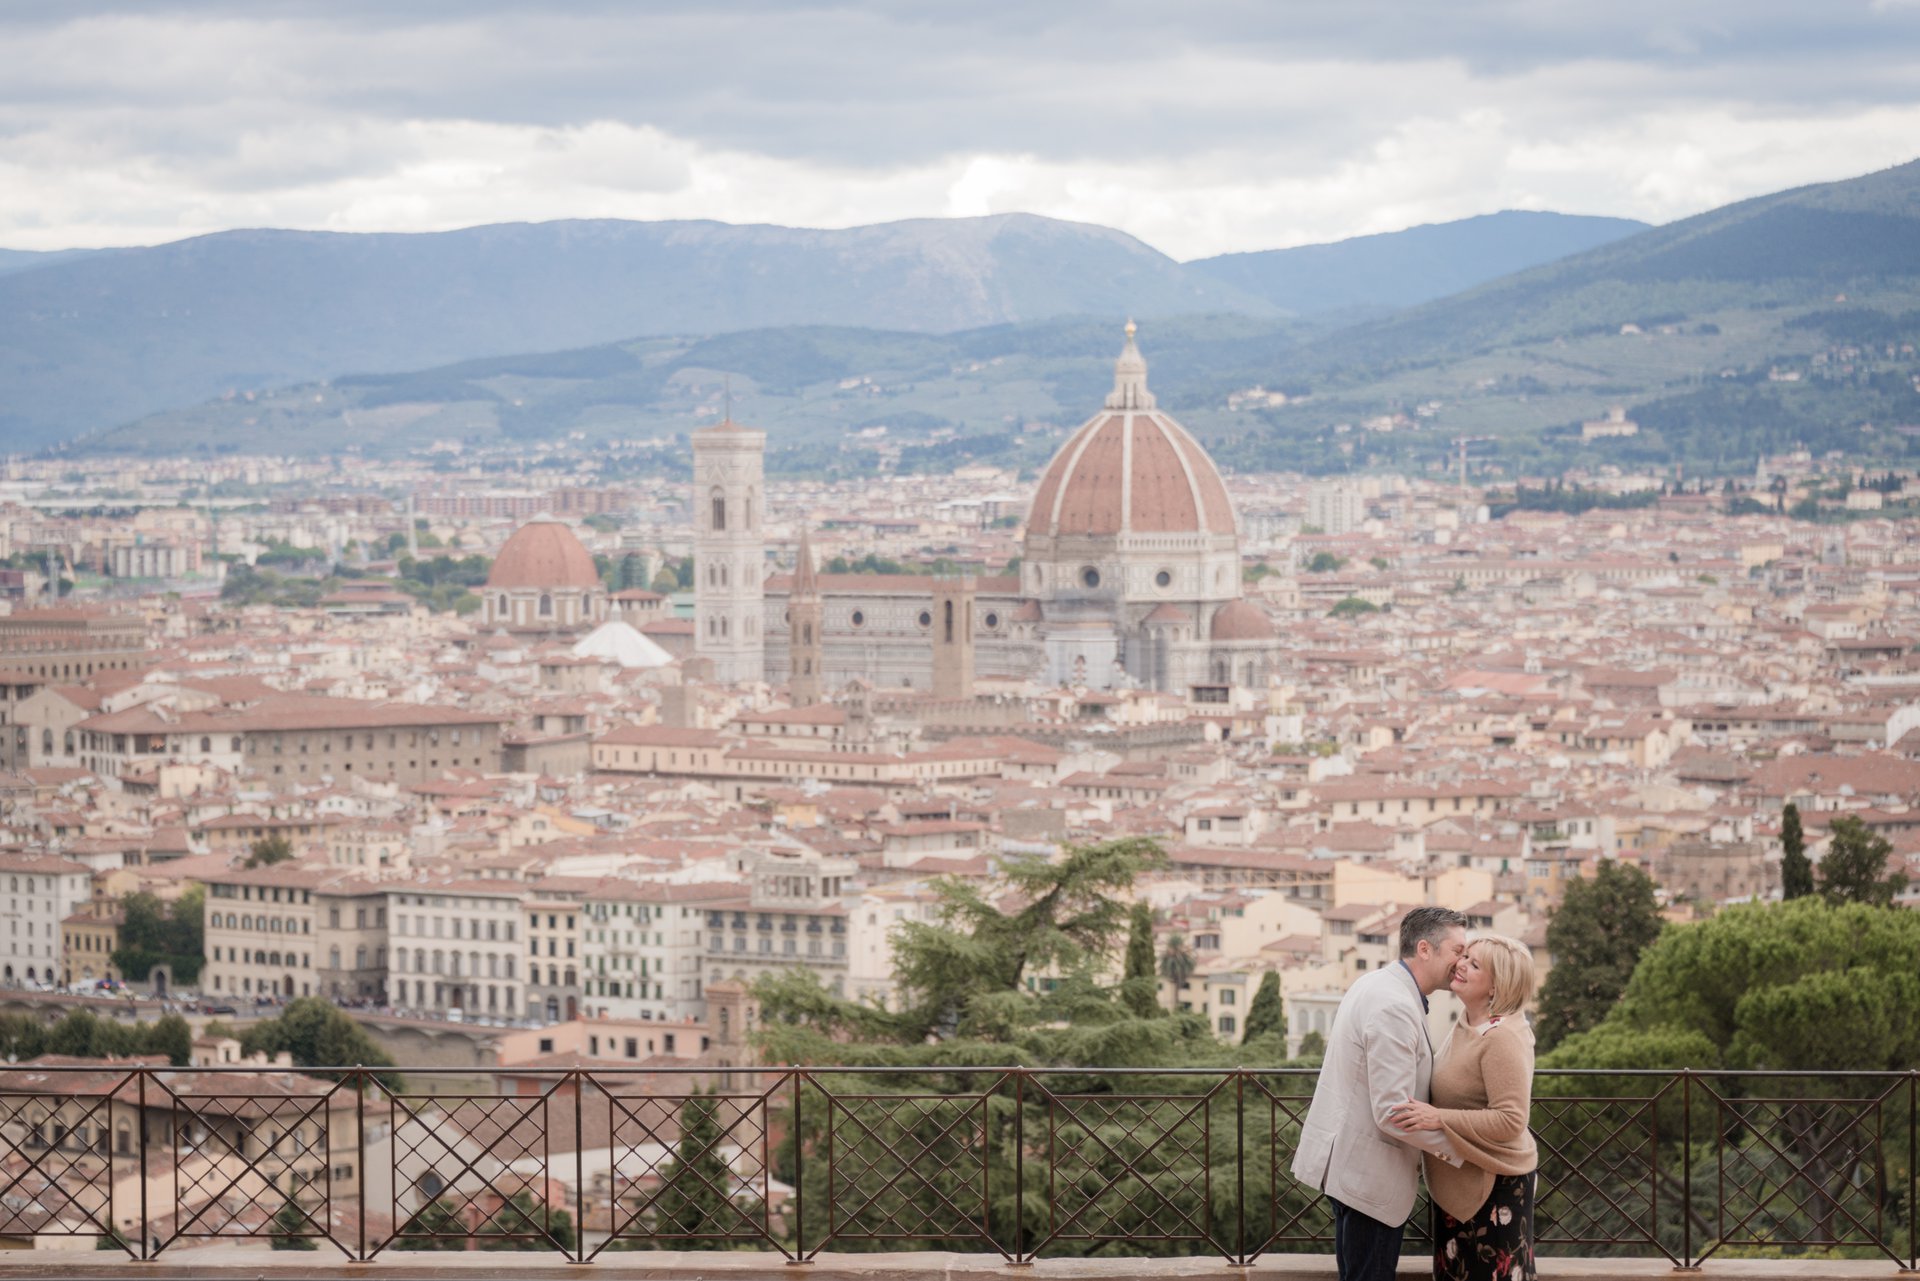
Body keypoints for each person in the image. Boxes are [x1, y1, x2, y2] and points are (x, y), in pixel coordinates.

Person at [1291, 906, 1470, 1281]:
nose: (1462, 961)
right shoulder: (1394, 1005)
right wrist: (1463, 1153)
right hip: (1369, 1180)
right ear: (1425, 949)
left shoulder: (1377, 983)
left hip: (1353, 1170)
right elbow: (1393, 1112)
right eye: (1457, 950)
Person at [1391, 933, 1540, 1281]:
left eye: (1475, 965)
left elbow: (1511, 1120)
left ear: (1496, 987)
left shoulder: (1501, 1038)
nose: (1461, 965)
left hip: (1492, 1187)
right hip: (1465, 1181)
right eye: (1465, 957)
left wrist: (1437, 1118)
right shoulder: (1469, 1022)